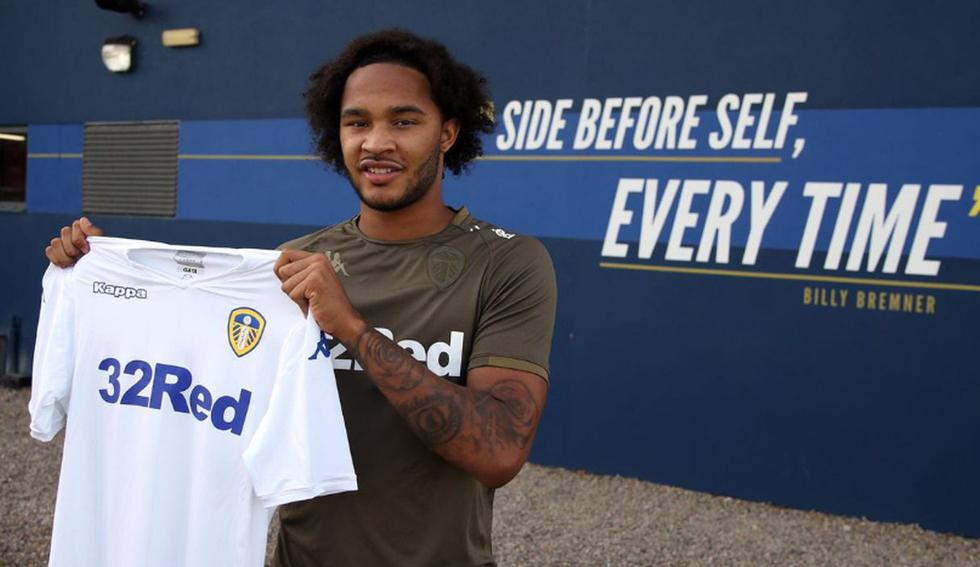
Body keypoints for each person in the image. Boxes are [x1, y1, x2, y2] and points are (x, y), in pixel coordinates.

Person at [43, 28, 557, 566]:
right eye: (357, 122)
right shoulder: (290, 266)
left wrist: (354, 332)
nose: (376, 142)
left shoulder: (507, 263)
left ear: (448, 133)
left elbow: (499, 451)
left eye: (404, 121)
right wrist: (112, 282)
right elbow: (196, 387)